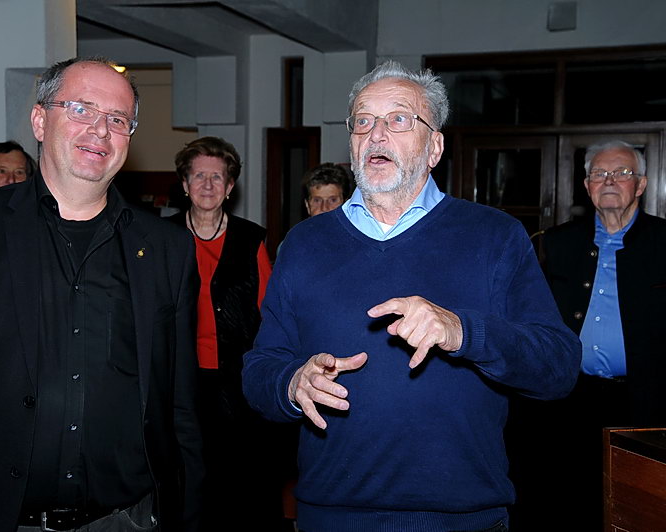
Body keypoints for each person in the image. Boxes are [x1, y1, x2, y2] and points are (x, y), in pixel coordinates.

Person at [241, 60, 581, 532]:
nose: (376, 134)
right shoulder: (304, 243)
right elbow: (259, 368)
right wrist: (291, 383)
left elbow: (559, 366)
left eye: (399, 119)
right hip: (330, 517)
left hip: (462, 520)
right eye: (363, 121)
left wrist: (464, 331)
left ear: (434, 146)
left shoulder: (494, 236)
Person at [0, 57, 202, 532]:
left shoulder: (167, 248)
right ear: (40, 121)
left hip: (124, 520)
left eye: (117, 119)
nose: (101, 130)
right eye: (82, 109)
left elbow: (180, 406)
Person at [524, 140, 666, 529]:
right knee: (568, 501)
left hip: (645, 404)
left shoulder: (663, 242)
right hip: (569, 400)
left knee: (638, 507)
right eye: (599, 174)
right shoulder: (554, 243)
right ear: (587, 186)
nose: (609, 180)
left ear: (641, 184)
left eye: (622, 173)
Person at [169, 137, 288, 531]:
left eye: (217, 177)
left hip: (239, 384)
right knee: (189, 482)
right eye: (198, 176)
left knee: (243, 485)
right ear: (184, 184)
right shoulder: (163, 237)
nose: (207, 185)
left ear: (230, 186)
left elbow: (271, 314)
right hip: (180, 382)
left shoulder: (251, 239)